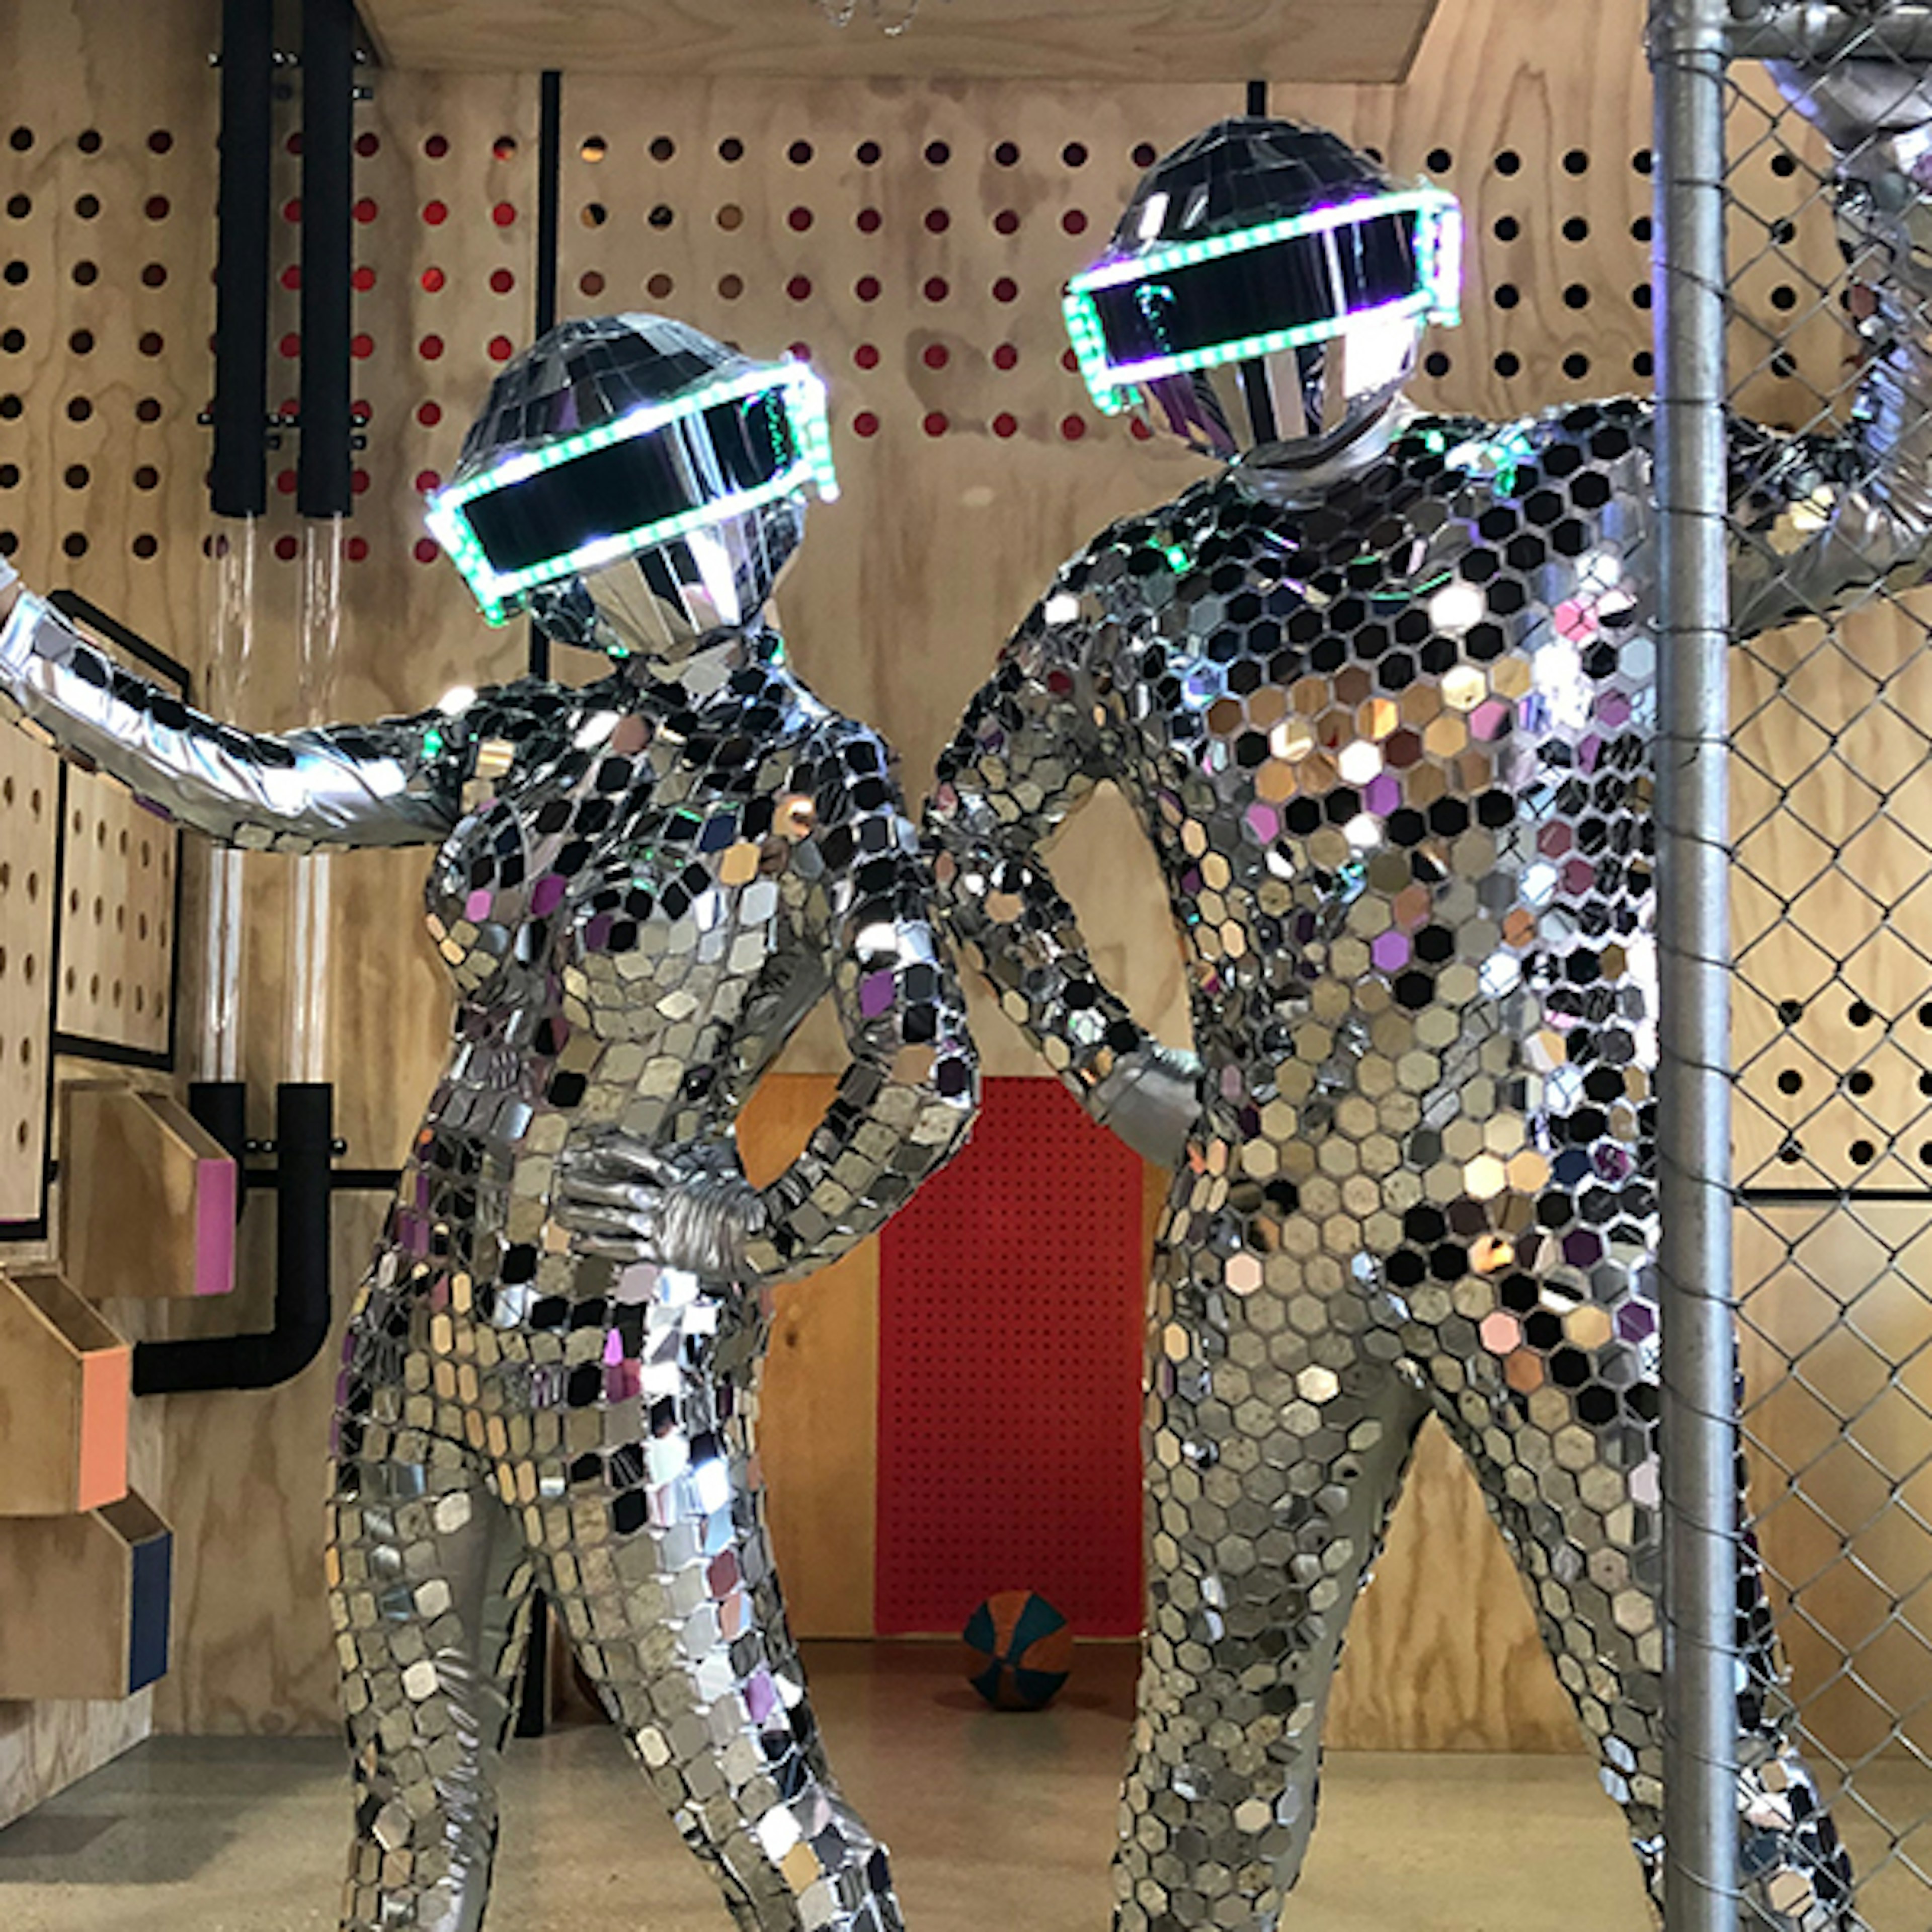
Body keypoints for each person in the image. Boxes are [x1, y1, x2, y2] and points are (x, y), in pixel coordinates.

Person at [927, 65, 1932, 1932]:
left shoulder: (1588, 488)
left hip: (1560, 1226)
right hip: (1280, 1238)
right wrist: (1107, 1065)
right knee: (1217, 1729)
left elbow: (1902, 492)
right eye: (1216, 317)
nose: (1270, 357)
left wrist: (1899, 154)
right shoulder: (1133, 592)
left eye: (1298, 298)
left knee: (1694, 1708)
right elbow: (968, 836)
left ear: (1395, 281)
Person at [0, 312, 978, 1932]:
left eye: (667, 499)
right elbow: (253, 781)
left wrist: (739, 1232)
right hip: (419, 1332)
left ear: (754, 489)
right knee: (408, 1807)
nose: (647, 563)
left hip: (623, 1350)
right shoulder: (515, 747)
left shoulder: (821, 775)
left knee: (745, 1790)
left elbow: (924, 1071)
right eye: (588, 527)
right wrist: (30, 650)